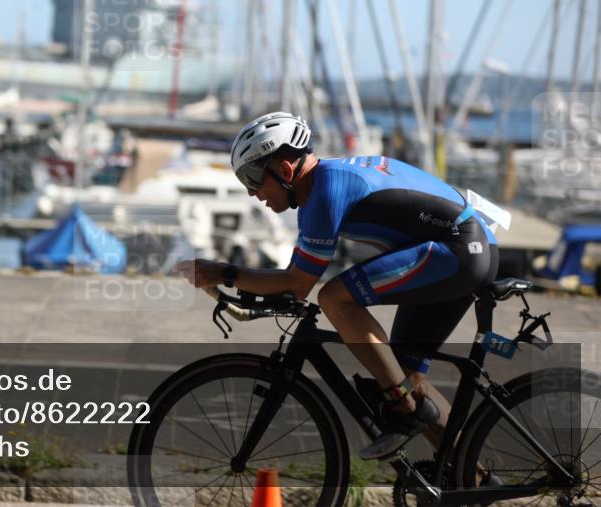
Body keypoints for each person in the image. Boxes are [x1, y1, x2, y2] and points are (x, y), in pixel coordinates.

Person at [173, 112, 499, 460]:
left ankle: (401, 406)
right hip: (468, 247)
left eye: (253, 178)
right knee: (406, 376)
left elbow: (297, 284)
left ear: (285, 170)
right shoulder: (325, 183)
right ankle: (472, 477)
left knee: (335, 298)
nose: (252, 192)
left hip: (460, 251)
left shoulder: (325, 191)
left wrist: (223, 272)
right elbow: (293, 278)